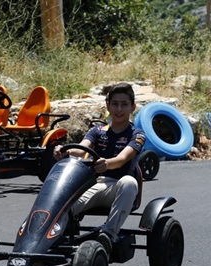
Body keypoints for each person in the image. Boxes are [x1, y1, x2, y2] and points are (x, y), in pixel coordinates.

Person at [53, 82, 146, 254]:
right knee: (59, 203)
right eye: (115, 104)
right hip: (95, 185)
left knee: (129, 182)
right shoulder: (98, 131)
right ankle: (51, 242)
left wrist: (107, 164)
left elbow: (122, 158)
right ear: (108, 106)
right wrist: (64, 151)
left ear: (133, 107)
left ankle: (108, 235)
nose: (119, 109)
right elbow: (81, 149)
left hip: (119, 188)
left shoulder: (137, 134)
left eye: (124, 104)